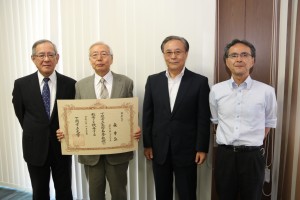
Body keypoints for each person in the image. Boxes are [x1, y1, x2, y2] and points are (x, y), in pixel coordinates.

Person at [57, 41, 141, 200]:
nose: (99, 58)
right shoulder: (80, 85)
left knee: (119, 193)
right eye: (94, 55)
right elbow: (76, 117)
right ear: (90, 60)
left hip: (118, 152)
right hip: (91, 154)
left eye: (104, 54)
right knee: (95, 194)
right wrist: (66, 131)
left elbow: (131, 113)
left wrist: (135, 128)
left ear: (112, 58)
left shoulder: (126, 82)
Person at [142, 35, 211, 200]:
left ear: (186, 54)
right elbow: (148, 115)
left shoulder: (199, 82)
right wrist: (147, 144)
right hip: (159, 149)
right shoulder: (153, 81)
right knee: (162, 193)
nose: (173, 56)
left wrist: (202, 147)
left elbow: (203, 117)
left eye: (178, 52)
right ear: (164, 55)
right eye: (169, 52)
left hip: (187, 149)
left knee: (187, 194)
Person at [209, 39, 277, 200]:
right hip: (225, 156)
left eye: (244, 55)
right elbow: (216, 120)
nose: (239, 59)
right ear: (227, 61)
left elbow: (268, 122)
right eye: (234, 55)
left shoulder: (267, 91)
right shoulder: (216, 90)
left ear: (252, 60)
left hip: (252, 157)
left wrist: (251, 142)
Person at [12, 39, 75, 199]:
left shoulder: (71, 84)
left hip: (62, 146)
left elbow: (74, 117)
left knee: (64, 190)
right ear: (33, 58)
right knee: (39, 191)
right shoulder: (21, 85)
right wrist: (36, 130)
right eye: (41, 55)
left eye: (50, 55)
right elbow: (21, 114)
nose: (46, 59)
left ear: (57, 58)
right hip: (34, 147)